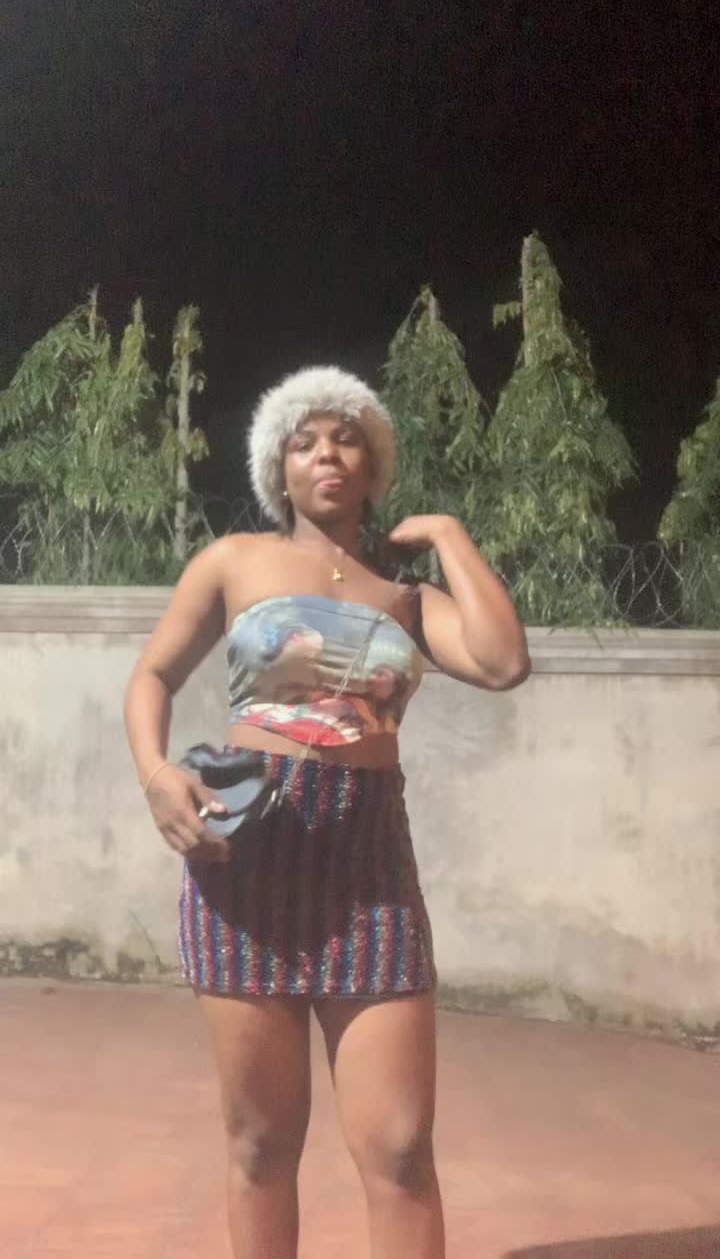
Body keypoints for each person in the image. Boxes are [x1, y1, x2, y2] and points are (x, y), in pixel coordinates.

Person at [124, 365, 530, 1259]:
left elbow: (503, 662)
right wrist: (156, 773)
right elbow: (153, 674)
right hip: (246, 861)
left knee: (401, 1148)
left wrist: (449, 535)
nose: (327, 455)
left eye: (347, 439)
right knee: (262, 1143)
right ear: (279, 467)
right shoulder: (235, 560)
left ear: (374, 464)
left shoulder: (409, 598)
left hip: (369, 867)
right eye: (304, 442)